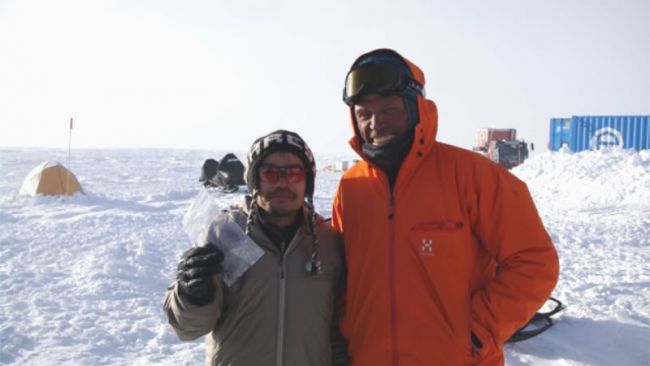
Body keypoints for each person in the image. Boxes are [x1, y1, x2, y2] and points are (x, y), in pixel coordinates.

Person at [331, 48, 559, 365]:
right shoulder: (351, 188)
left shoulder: (472, 175)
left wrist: (478, 330)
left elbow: (534, 261)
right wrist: (349, 329)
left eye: (389, 109)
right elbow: (341, 275)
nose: (376, 122)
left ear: (415, 109)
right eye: (364, 114)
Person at [164, 130, 348, 366]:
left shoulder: (328, 243)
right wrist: (192, 295)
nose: (282, 183)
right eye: (270, 173)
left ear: (307, 181)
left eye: (294, 173)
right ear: (253, 180)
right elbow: (187, 328)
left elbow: (339, 330)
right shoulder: (226, 234)